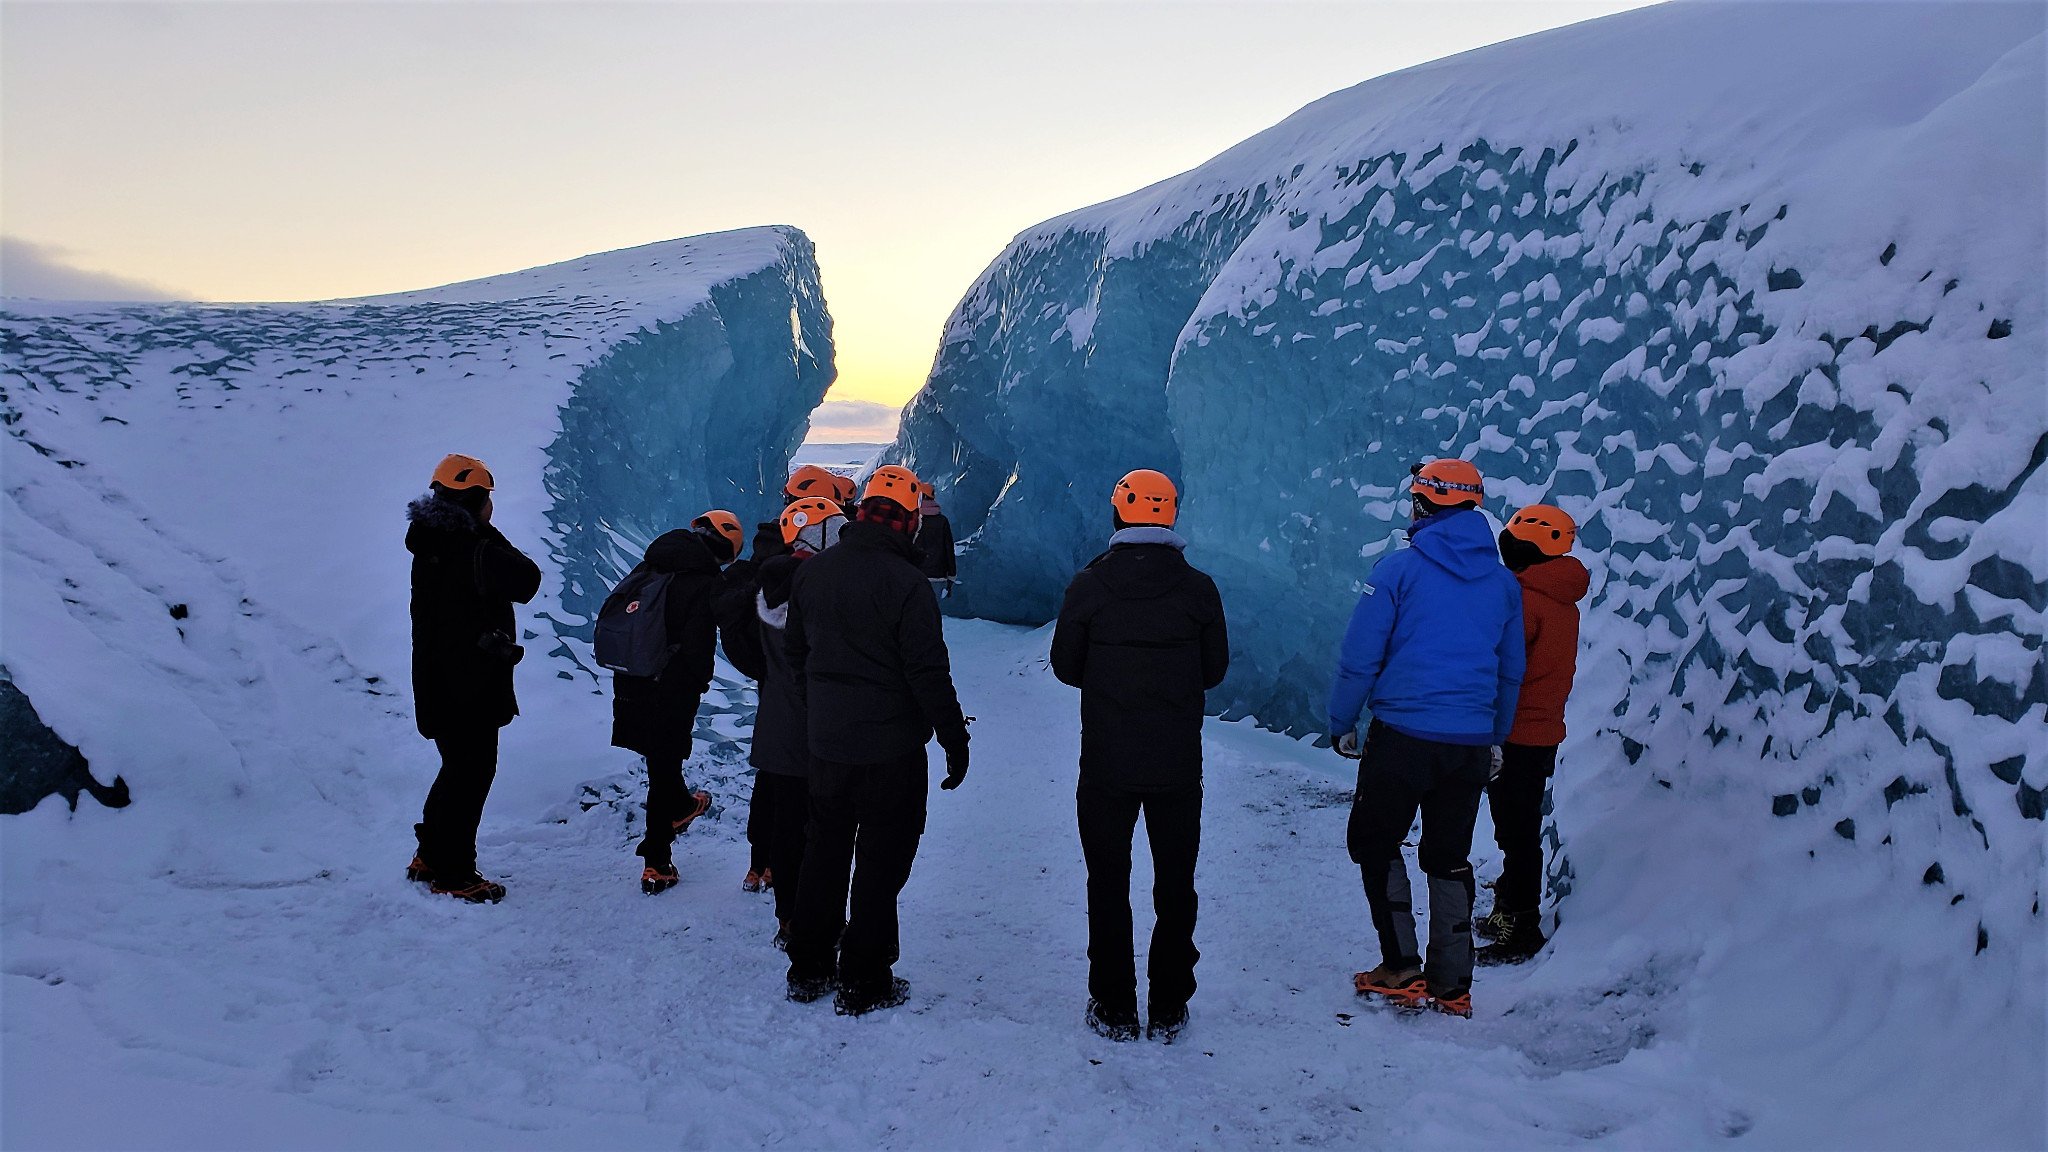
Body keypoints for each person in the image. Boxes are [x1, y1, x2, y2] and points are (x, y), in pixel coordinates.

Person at [1328, 459, 1524, 1018]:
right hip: (1468, 743)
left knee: (1375, 840)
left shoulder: (1397, 571)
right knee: (1448, 855)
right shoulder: (1504, 584)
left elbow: (1359, 658)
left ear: (1422, 506)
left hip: (1404, 739)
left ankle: (1400, 967)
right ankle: (1452, 985)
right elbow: (1510, 670)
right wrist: (1496, 738)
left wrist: (1343, 722)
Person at [783, 464, 970, 1016]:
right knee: (882, 859)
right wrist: (953, 738)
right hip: (891, 750)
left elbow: (798, 655)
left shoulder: (815, 573)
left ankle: (809, 967)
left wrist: (821, 708)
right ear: (910, 520)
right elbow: (928, 672)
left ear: (861, 510)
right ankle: (865, 979)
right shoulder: (907, 583)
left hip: (828, 745)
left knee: (824, 850)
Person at [1051, 469, 1227, 1043]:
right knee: (1176, 881)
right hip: (1177, 762)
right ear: (1171, 514)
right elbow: (1215, 671)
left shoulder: (1090, 584)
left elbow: (1065, 666)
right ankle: (1170, 1004)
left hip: (1106, 761)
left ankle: (1114, 1006)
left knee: (1107, 880)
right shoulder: (1198, 588)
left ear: (1119, 513)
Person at [405, 453, 542, 903]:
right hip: (470, 684)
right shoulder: (473, 548)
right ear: (477, 502)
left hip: (435, 677)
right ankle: (456, 873)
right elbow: (526, 579)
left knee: (456, 767)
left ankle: (430, 854)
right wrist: (481, 529)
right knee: (473, 772)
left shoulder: (430, 542)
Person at [599, 510, 748, 894]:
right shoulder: (703, 579)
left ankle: (681, 807)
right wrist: (698, 681)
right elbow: (698, 645)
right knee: (665, 763)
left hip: (633, 674)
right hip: (670, 681)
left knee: (660, 760)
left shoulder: (655, 561)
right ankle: (656, 861)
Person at [1477, 505, 1588, 965]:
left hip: (1517, 732)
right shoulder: (1557, 596)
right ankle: (1509, 908)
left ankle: (1520, 926)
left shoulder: (1526, 599)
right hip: (1541, 731)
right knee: (1518, 827)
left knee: (1515, 831)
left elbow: (1500, 663)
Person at [744, 496, 846, 945]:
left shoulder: (767, 586)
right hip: (822, 724)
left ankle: (788, 918)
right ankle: (818, 919)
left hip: (777, 724)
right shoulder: (825, 587)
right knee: (822, 829)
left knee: (787, 827)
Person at [912, 481, 957, 595]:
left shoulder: (913, 520)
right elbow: (949, 549)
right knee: (932, 610)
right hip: (938, 576)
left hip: (915, 574)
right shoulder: (942, 521)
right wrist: (951, 576)